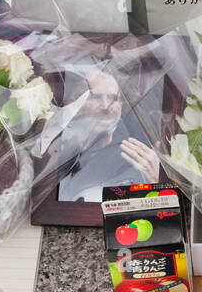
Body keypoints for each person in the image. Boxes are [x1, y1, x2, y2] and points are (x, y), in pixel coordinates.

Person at [51, 70, 159, 203]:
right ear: (75, 103)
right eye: (96, 97)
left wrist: (155, 182)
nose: (106, 106)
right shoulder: (57, 153)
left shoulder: (138, 158)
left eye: (113, 98)